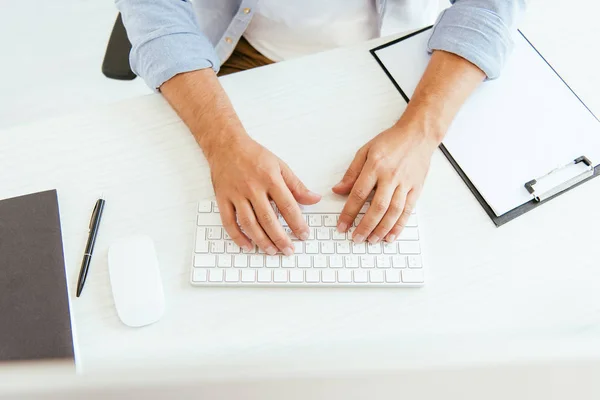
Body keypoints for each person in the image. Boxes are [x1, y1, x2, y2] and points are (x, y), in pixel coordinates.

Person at [117, 0, 525, 257]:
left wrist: (422, 132)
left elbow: (491, 7)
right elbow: (152, 9)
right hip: (248, 55)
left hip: (412, 60)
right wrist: (222, 142)